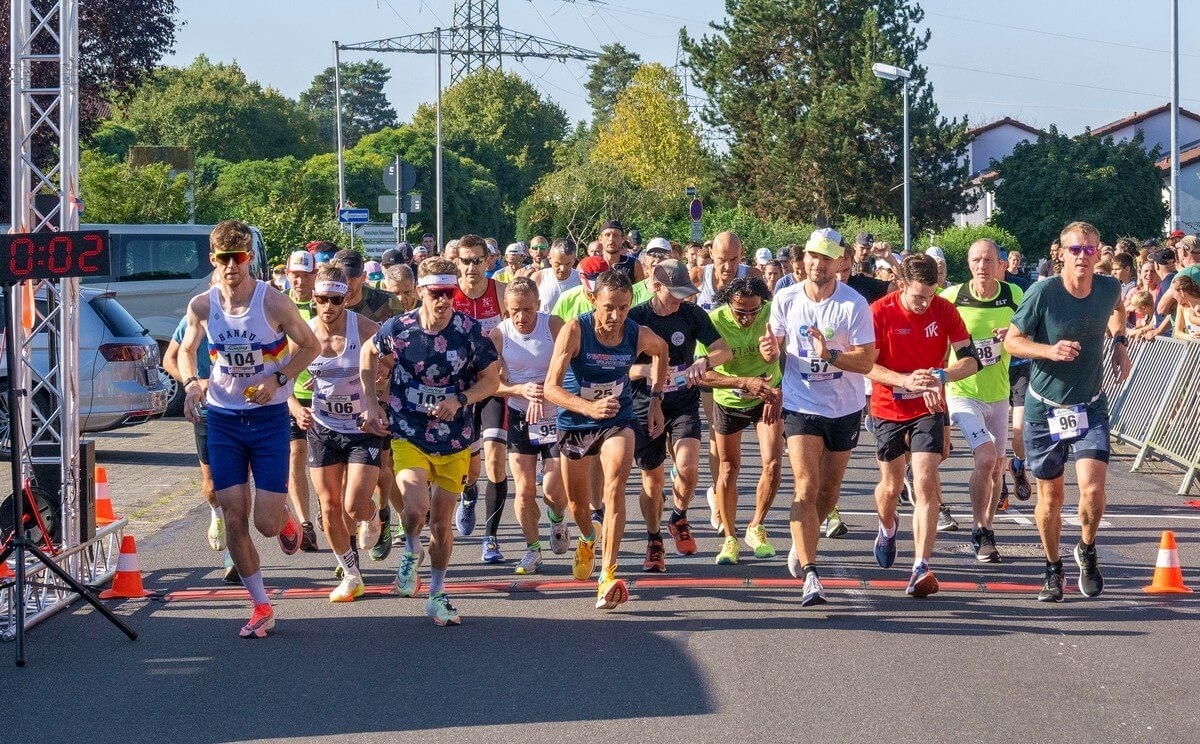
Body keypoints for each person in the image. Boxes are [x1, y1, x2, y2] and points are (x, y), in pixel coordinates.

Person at [177, 219, 321, 638]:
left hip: (268, 419)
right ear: (213, 260)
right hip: (223, 420)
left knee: (266, 525)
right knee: (233, 516)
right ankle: (260, 605)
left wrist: (278, 380)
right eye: (223, 258)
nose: (231, 266)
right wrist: (190, 386)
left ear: (249, 258)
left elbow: (310, 345)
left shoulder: (272, 302)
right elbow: (185, 350)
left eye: (238, 257)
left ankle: (286, 519)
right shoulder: (202, 305)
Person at [359, 257, 501, 625]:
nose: (443, 300)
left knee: (440, 524)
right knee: (415, 506)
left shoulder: (470, 332)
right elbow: (367, 352)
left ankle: (437, 593)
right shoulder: (400, 328)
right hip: (409, 430)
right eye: (436, 293)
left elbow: (492, 379)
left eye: (449, 293)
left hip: (455, 438)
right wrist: (372, 401)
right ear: (421, 292)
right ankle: (409, 548)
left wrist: (461, 399)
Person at [1004, 221, 1130, 602]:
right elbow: (1012, 342)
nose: (1082, 257)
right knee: (1051, 499)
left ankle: (1087, 550)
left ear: (1098, 254)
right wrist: (1049, 350)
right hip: (1045, 408)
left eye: (1090, 250)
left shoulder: (1108, 287)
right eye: (1075, 250)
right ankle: (1053, 568)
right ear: (1061, 253)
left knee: (1092, 490)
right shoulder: (1043, 292)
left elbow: (1119, 308)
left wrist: (1120, 342)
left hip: (1090, 405)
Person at [545, 269, 667, 610]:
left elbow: (661, 351)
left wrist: (655, 398)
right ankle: (587, 537)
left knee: (615, 487)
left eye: (624, 308)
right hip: (575, 421)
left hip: (617, 418)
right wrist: (588, 406)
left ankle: (608, 574)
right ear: (592, 300)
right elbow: (550, 389)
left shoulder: (636, 333)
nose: (616, 316)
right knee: (577, 506)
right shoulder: (574, 331)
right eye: (609, 307)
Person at [767, 229, 876, 605]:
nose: (818, 263)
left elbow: (866, 361)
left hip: (844, 407)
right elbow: (774, 350)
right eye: (813, 256)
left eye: (827, 258)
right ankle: (811, 574)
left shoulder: (853, 304)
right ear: (805, 258)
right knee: (805, 485)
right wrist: (769, 351)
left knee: (828, 492)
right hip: (802, 404)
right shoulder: (785, 298)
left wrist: (830, 355)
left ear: (841, 262)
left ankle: (803, 542)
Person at [867, 254, 979, 598]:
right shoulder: (879, 312)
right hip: (888, 404)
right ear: (901, 286)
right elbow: (866, 367)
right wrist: (904, 381)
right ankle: (887, 528)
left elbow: (971, 361)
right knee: (891, 485)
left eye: (931, 295)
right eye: (918, 297)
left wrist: (941, 376)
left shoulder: (944, 310)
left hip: (929, 406)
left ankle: (921, 565)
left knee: (926, 479)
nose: (924, 304)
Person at [627, 260, 731, 570]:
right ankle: (654, 538)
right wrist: (644, 370)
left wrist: (705, 362)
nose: (679, 301)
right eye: (674, 294)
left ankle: (678, 517)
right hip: (645, 405)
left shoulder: (691, 314)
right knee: (652, 481)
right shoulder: (636, 318)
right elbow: (617, 366)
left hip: (683, 401)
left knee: (687, 468)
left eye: (684, 294)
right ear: (654, 287)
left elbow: (723, 349)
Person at [293, 265, 384, 601]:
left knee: (354, 505)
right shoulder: (303, 333)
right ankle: (350, 573)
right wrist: (295, 408)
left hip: (362, 428)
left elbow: (394, 366)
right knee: (329, 507)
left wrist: (378, 399)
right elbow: (281, 376)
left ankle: (372, 516)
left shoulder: (365, 329)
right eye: (321, 299)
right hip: (323, 426)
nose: (328, 306)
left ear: (346, 297)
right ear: (313, 298)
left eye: (335, 299)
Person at [940, 239, 1024, 563]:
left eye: (988, 260)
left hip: (998, 394)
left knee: (997, 470)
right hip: (963, 393)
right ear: (968, 263)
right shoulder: (952, 297)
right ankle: (979, 528)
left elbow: (1032, 333)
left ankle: (986, 528)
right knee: (986, 458)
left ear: (1000, 264)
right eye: (976, 260)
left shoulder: (1014, 296)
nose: (982, 266)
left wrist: (1015, 336)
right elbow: (936, 339)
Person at [700, 276, 784, 566]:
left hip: (767, 396)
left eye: (753, 311)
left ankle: (756, 526)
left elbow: (796, 350)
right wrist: (744, 381)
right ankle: (730, 538)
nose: (748, 318)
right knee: (728, 469)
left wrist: (777, 359)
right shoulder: (713, 320)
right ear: (728, 305)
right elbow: (703, 375)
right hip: (730, 400)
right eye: (740, 312)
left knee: (773, 464)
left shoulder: (774, 311)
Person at [491, 278, 570, 575]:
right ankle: (532, 549)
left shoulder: (554, 326)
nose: (522, 317)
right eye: (515, 311)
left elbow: (570, 367)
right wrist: (520, 390)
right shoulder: (499, 334)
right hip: (521, 416)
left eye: (527, 309)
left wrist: (547, 390)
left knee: (551, 488)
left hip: (554, 415)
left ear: (538, 305)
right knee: (524, 491)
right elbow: (493, 384)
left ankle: (557, 517)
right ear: (506, 310)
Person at [162, 272, 236, 582]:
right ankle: (216, 514)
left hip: (238, 409)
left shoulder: (246, 319)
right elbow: (170, 359)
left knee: (236, 486)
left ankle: (235, 555)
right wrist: (194, 383)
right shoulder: (195, 318)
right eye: (217, 286)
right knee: (212, 487)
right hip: (206, 412)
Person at [332, 248, 402, 561]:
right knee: (345, 481)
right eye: (340, 279)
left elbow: (402, 347)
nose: (345, 287)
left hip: (380, 397)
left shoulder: (385, 303)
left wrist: (387, 367)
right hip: (339, 401)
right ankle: (348, 553)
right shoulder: (325, 302)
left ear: (362, 277)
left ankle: (383, 513)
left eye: (351, 280)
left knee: (383, 469)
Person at [449, 235, 510, 563]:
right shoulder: (449, 295)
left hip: (494, 387)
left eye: (477, 260)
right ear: (457, 262)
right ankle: (468, 494)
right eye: (465, 261)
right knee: (470, 470)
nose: (472, 267)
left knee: (496, 459)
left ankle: (491, 538)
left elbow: (520, 332)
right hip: (459, 391)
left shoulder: (500, 293)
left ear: (489, 261)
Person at [283, 250, 319, 551]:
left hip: (328, 397)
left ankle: (329, 511)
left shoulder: (326, 305)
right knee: (296, 454)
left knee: (330, 464)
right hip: (290, 394)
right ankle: (305, 524)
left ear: (315, 276)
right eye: (294, 274)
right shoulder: (276, 307)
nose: (299, 280)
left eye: (305, 274)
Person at [530, 238, 580, 314]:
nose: (562, 269)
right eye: (558, 264)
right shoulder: (538, 278)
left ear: (574, 260)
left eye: (567, 264)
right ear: (549, 259)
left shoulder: (580, 279)